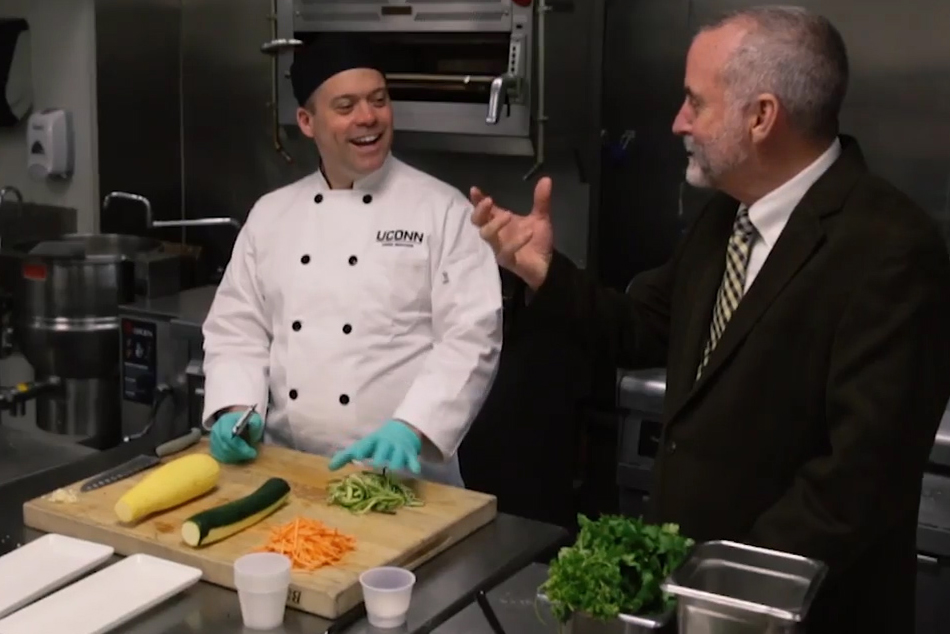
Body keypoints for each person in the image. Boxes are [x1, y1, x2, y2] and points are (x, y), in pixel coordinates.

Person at [470, 6, 950, 633]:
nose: (678, 122)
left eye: (696, 102)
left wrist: (714, 591)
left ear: (762, 117)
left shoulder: (891, 247)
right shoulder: (725, 218)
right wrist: (543, 271)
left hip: (796, 613)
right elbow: (638, 327)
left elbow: (857, 481)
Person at [200, 34, 503, 488]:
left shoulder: (442, 210)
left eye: (378, 100)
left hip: (405, 478)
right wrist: (235, 408)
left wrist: (415, 426)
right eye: (345, 106)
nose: (368, 118)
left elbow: (472, 336)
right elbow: (237, 328)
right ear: (307, 121)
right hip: (287, 474)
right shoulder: (271, 214)